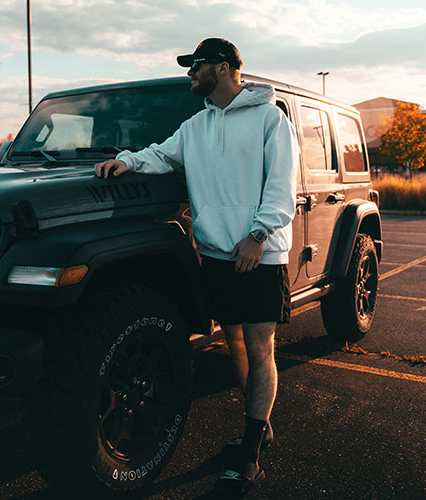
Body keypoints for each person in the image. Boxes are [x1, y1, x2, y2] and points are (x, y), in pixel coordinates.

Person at [94, 38, 299, 498]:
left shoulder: (270, 119)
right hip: (218, 254)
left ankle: (249, 453)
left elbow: (283, 185)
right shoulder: (196, 126)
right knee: (234, 343)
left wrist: (258, 234)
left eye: (197, 66)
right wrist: (124, 162)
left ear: (223, 68)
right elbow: (159, 154)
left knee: (260, 345)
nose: (191, 73)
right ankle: (257, 426)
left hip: (259, 252)